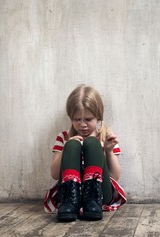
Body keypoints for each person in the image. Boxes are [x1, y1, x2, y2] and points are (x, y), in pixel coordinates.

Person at [44, 84, 126, 221]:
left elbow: (115, 176)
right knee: (72, 144)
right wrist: (66, 147)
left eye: (88, 119)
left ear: (98, 117)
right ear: (71, 117)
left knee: (92, 143)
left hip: (99, 196)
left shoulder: (105, 137)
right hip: (67, 195)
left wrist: (108, 150)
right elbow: (54, 173)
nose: (83, 124)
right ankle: (70, 200)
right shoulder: (64, 137)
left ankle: (92, 200)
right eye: (77, 119)